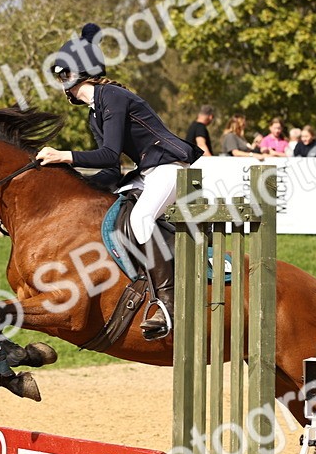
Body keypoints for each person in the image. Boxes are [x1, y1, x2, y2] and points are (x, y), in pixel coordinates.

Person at [36, 23, 196, 341]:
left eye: (62, 76)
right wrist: (73, 185)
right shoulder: (95, 113)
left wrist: (63, 156)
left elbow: (109, 154)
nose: (61, 85)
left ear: (77, 73)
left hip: (170, 167)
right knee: (113, 212)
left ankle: (168, 304)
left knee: (141, 218)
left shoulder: (112, 96)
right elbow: (110, 171)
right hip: (148, 173)